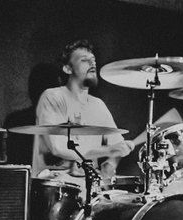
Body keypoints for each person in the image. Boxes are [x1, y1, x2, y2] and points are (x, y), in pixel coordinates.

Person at [32, 39, 132, 187]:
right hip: (53, 184)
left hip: (89, 184)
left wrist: (111, 163)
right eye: (84, 60)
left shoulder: (98, 105)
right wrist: (108, 150)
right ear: (68, 68)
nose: (92, 64)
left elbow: (118, 144)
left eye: (93, 60)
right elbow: (57, 147)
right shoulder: (53, 97)